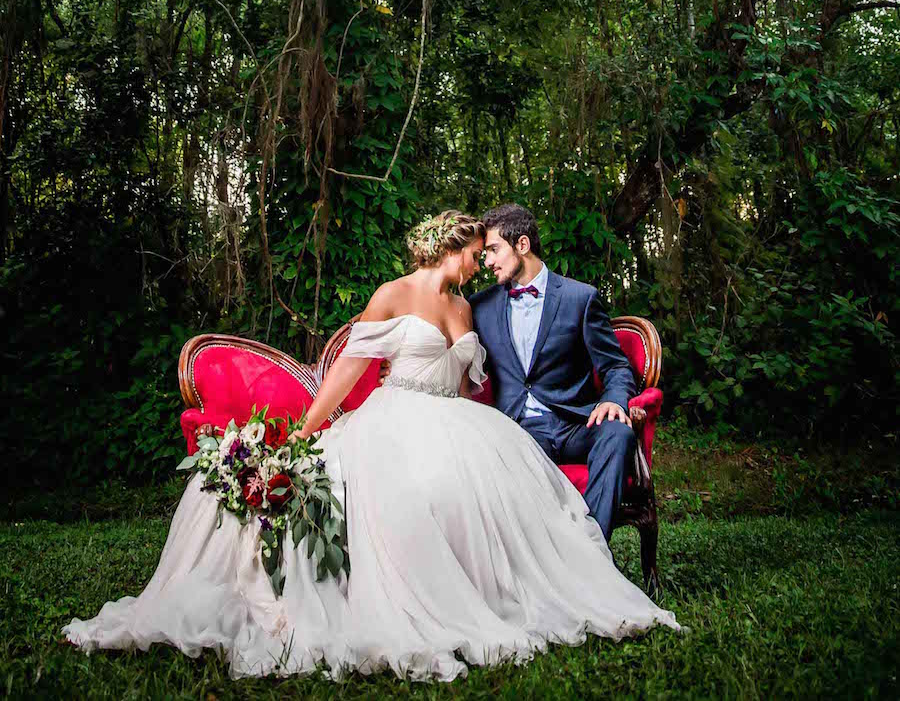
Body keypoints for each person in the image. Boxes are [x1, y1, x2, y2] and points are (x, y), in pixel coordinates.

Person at [64, 211, 678, 681]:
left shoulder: (472, 308)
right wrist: (305, 431)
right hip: (396, 417)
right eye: (472, 254)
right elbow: (349, 369)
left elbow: (469, 383)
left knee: (469, 487)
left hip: (459, 422)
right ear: (448, 248)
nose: (476, 265)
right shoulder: (393, 294)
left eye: (483, 255)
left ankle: (566, 571)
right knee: (402, 491)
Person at [471, 202, 637, 543]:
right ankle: (552, 559)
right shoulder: (480, 306)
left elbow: (616, 365)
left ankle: (592, 547)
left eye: (493, 250)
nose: (487, 261)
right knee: (514, 460)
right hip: (522, 431)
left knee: (618, 434)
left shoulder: (580, 298)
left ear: (522, 245)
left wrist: (615, 400)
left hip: (576, 422)